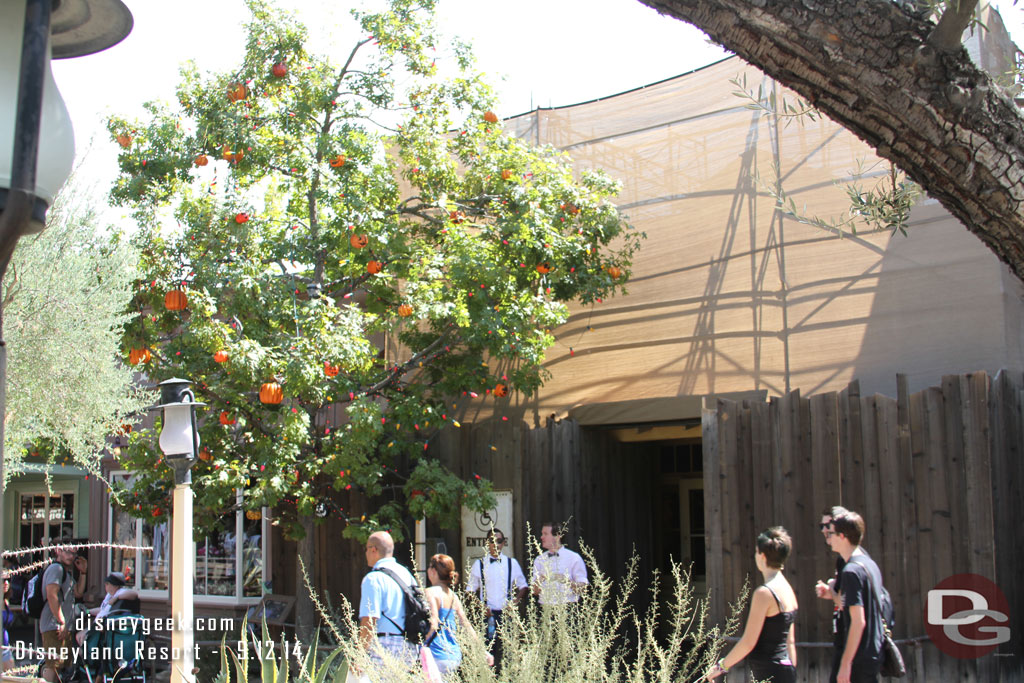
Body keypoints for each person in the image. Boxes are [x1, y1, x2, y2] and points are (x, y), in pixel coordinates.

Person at [705, 527, 798, 682]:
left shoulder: (764, 593)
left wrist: (721, 666)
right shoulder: (788, 589)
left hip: (771, 671)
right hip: (784, 670)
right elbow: (791, 641)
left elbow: (748, 642)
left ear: (762, 556)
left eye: (756, 552)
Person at [824, 510, 885, 683]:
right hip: (872, 652)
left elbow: (858, 621)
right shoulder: (869, 564)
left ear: (842, 536)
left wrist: (845, 663)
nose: (829, 536)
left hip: (858, 658)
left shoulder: (851, 571)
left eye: (832, 533)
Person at [466, 528, 528, 672]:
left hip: (506, 615)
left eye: (499, 541)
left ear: (503, 543)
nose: (496, 544)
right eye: (492, 541)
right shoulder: (479, 564)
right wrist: (481, 606)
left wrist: (515, 602)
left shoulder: (512, 563)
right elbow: (470, 591)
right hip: (488, 617)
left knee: (508, 653)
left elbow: (523, 586)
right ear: (487, 543)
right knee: (488, 653)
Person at [358, 531, 419, 670]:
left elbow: (369, 619)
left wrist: (359, 655)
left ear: (373, 550)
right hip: (409, 647)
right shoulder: (406, 574)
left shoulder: (373, 578)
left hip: (384, 645)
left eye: (366, 548)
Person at [425, 554, 493, 676]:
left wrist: (421, 645)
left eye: (430, 567)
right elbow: (466, 625)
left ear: (434, 571)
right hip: (453, 655)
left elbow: (433, 624)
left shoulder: (431, 592)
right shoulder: (453, 596)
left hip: (436, 654)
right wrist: (482, 651)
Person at [40, 543, 87, 682]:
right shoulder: (56, 569)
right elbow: (51, 595)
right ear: (58, 551)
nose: (71, 556)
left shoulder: (65, 572)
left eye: (74, 553)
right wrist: (61, 621)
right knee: (53, 665)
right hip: (54, 625)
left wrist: (83, 572)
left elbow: (78, 592)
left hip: (63, 626)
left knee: (60, 666)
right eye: (67, 552)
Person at [531, 521, 588, 605]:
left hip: (568, 608)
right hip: (545, 609)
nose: (542, 537)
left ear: (557, 537)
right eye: (542, 534)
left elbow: (583, 588)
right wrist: (541, 579)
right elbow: (534, 592)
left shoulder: (574, 558)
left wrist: (567, 581)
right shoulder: (539, 559)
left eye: (545, 534)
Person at [75, 572, 140, 646]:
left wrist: (116, 598)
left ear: (114, 585)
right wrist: (87, 611)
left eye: (107, 583)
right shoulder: (109, 595)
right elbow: (103, 610)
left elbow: (134, 594)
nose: (105, 585)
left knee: (80, 637)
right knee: (80, 637)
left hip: (105, 627)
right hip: (101, 625)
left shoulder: (121, 592)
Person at [2, 575, 14, 672]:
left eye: (8, 580)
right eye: (3, 580)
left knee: (11, 677)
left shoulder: (5, 601)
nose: (6, 583)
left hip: (5, 647)